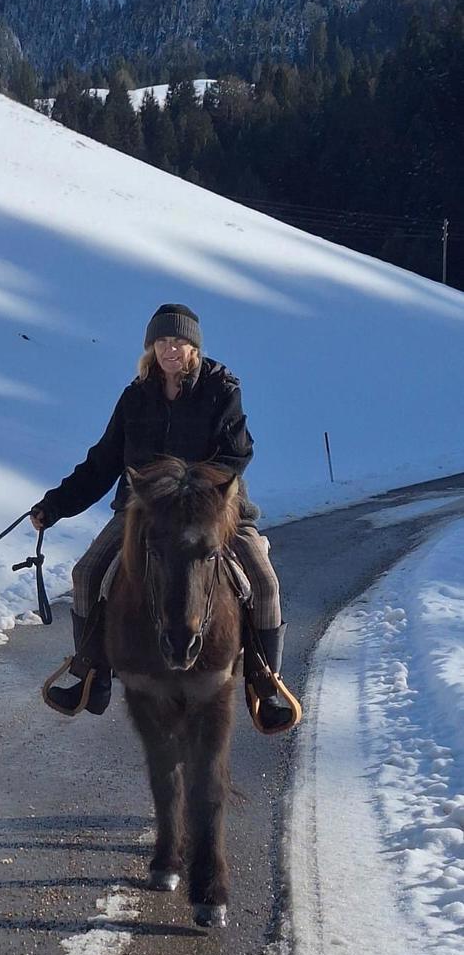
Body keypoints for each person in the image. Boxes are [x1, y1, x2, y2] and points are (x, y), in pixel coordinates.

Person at [30, 302, 293, 732]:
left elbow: (236, 453)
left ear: (194, 347)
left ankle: (265, 683)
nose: (170, 350)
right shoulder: (136, 396)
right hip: (145, 510)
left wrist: (193, 487)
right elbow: (103, 463)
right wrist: (54, 505)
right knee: (86, 573)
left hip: (214, 509)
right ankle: (90, 674)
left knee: (263, 582)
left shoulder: (220, 389)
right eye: (161, 342)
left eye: (180, 342)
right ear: (150, 348)